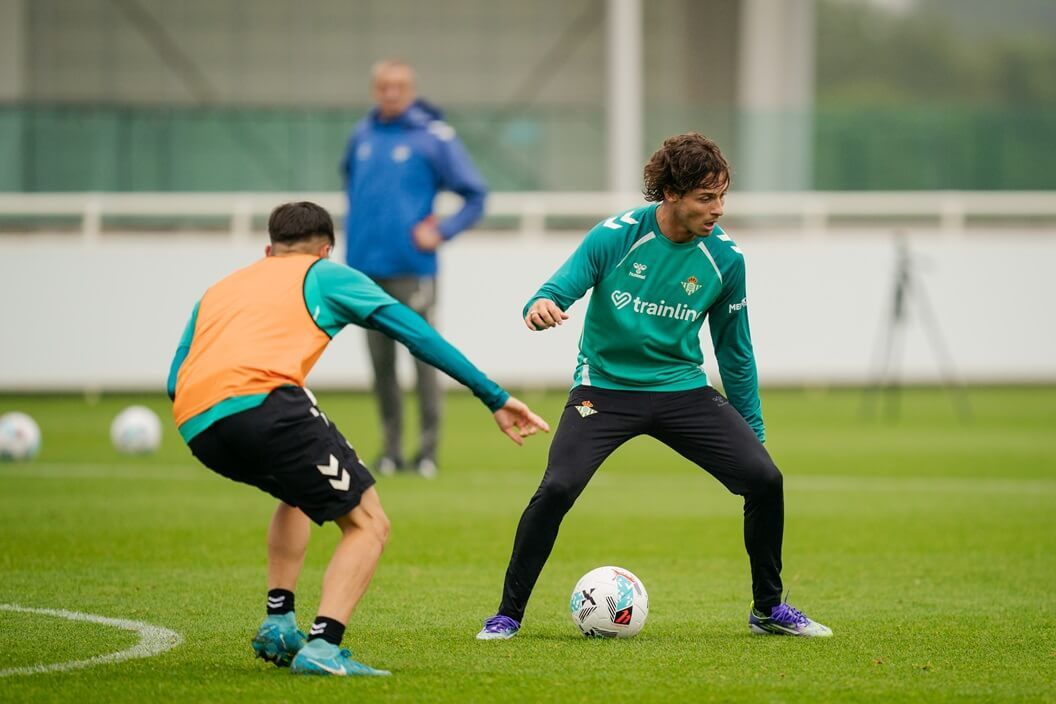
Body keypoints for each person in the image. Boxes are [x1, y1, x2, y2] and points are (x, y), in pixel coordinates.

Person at [475, 133, 831, 641]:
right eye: (707, 198)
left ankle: (768, 608)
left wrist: (752, 427)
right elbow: (557, 288)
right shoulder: (614, 237)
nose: (718, 210)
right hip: (606, 390)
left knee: (765, 480)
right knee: (556, 487)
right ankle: (508, 614)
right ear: (671, 194)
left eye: (723, 196)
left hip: (682, 390)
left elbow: (734, 349)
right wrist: (539, 306)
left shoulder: (726, 260)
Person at [167, 201, 547, 676]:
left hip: (196, 423)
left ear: (268, 249)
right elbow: (416, 333)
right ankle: (324, 646)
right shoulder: (326, 274)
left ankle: (279, 620)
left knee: (297, 493)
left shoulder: (219, 290)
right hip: (266, 403)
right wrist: (493, 396)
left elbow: (174, 375)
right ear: (326, 250)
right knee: (369, 523)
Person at [340, 58, 488, 479]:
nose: (391, 93)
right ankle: (389, 450)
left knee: (425, 358)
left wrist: (442, 229)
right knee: (380, 364)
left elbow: (476, 194)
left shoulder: (432, 137)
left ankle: (427, 453)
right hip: (365, 271)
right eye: (384, 86)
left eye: (399, 87)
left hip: (413, 270)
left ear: (411, 90)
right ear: (375, 90)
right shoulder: (361, 135)